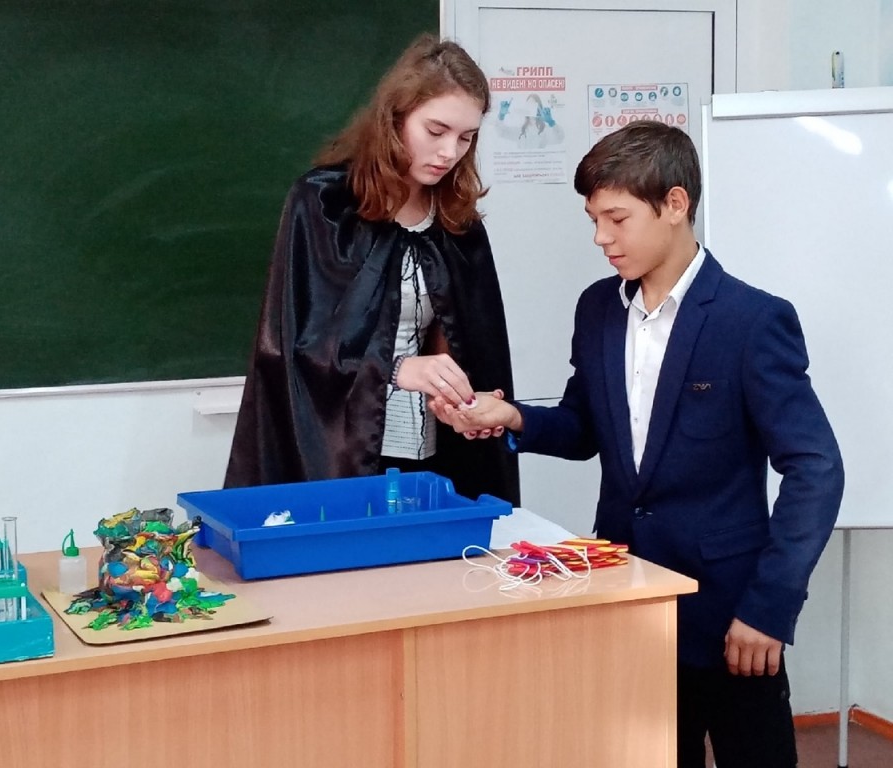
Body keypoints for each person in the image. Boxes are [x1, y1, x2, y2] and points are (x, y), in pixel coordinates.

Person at [432, 120, 844, 767]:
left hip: (730, 612)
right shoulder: (597, 309)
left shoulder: (751, 320)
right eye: (594, 220)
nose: (601, 237)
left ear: (675, 204)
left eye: (616, 219)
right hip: (627, 593)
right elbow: (583, 429)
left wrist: (770, 606)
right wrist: (513, 418)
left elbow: (816, 468)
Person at [224, 34, 519, 505]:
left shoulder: (458, 224)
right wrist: (398, 368)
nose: (450, 152)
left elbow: (473, 343)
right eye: (436, 131)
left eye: (466, 138)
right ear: (395, 117)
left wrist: (468, 399)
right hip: (338, 455)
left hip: (434, 455)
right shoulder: (324, 205)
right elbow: (295, 349)